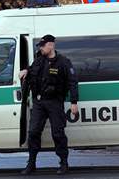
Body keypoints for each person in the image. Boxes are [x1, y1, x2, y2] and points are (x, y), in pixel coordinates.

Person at [19, 34, 79, 175]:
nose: (40, 48)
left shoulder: (63, 62)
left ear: (51, 45)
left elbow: (72, 82)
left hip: (54, 102)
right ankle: (31, 163)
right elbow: (32, 69)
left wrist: (74, 102)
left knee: (58, 133)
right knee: (33, 132)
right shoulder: (39, 60)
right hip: (39, 103)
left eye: (42, 46)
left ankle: (64, 163)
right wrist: (26, 70)